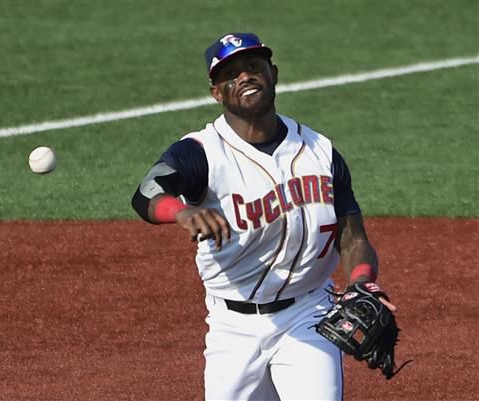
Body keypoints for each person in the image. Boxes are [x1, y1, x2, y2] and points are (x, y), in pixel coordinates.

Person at [132, 32, 396, 401]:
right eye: (231, 75)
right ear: (216, 93)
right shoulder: (203, 152)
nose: (245, 77)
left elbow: (352, 237)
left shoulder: (320, 151)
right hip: (232, 327)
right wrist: (182, 212)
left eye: (254, 67)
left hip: (308, 315)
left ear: (273, 73)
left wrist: (362, 281)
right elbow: (146, 192)